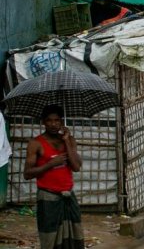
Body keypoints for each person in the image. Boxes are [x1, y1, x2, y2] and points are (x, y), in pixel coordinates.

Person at [26, 104, 83, 249]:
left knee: (74, 238)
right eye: (49, 120)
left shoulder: (70, 140)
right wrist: (50, 164)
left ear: (62, 122)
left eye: (57, 120)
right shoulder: (36, 143)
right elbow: (27, 174)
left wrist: (66, 141)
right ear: (43, 122)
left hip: (69, 197)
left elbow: (76, 167)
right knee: (50, 238)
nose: (53, 124)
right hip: (48, 197)